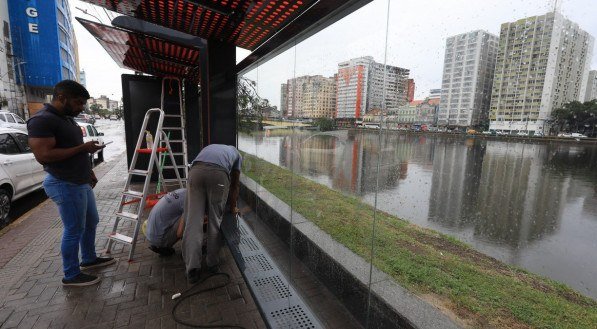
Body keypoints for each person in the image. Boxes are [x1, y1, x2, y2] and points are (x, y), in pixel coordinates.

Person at [27, 80, 114, 287]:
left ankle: (89, 259)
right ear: (61, 98)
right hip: (64, 183)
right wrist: (83, 149)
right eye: (78, 102)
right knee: (74, 229)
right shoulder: (42, 120)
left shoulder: (67, 119)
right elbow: (44, 155)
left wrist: (89, 171)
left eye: (83, 103)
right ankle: (71, 274)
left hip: (80, 181)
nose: (81, 107)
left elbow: (74, 150)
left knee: (91, 222)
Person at [183, 144, 241, 283]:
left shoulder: (210, 147)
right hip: (218, 175)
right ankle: (212, 263)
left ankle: (192, 269)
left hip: (195, 172)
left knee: (193, 221)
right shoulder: (237, 155)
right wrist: (233, 207)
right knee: (214, 222)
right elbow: (234, 185)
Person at [143, 188, 186, 256]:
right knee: (190, 218)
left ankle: (160, 245)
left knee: (184, 215)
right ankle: (187, 250)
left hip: (150, 236)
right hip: (159, 240)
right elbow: (179, 233)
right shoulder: (189, 200)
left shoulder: (182, 191)